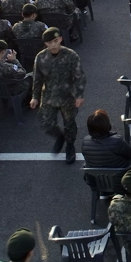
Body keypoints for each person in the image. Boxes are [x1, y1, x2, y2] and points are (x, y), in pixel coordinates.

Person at [30, 27, 87, 164]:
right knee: (46, 122)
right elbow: (37, 78)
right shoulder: (41, 57)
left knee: (69, 124)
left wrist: (79, 95)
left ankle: (70, 146)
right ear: (45, 44)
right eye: (49, 42)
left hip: (68, 96)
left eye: (55, 41)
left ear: (60, 39)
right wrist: (35, 96)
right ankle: (60, 136)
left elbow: (80, 76)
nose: (53, 45)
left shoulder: (71, 55)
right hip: (49, 95)